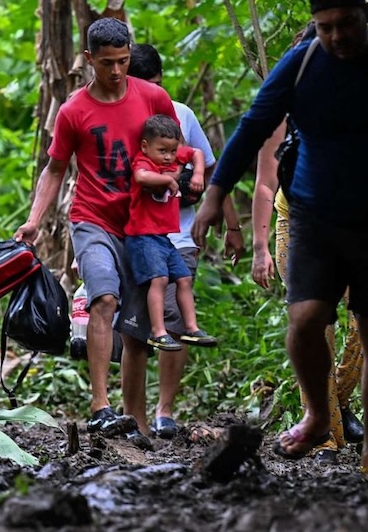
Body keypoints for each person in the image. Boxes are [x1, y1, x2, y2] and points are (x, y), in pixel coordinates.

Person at [193, 0, 368, 480]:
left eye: (345, 23)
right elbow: (253, 126)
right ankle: (316, 414)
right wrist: (215, 194)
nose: (336, 36)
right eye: (325, 27)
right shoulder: (303, 62)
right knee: (305, 320)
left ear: (364, 14)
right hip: (313, 216)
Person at [14, 18, 179, 442]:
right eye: (107, 63)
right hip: (92, 219)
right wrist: (34, 220)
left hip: (142, 226)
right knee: (104, 298)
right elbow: (54, 169)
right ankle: (100, 407)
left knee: (137, 328)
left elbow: (173, 150)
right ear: (89, 60)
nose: (118, 71)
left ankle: (135, 421)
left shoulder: (154, 98)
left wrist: (188, 177)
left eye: (124, 61)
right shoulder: (74, 111)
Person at [125, 43, 243, 439]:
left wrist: (233, 226)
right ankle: (134, 415)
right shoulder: (120, 120)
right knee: (136, 326)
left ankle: (165, 410)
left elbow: (211, 171)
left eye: (155, 86)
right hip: (135, 234)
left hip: (178, 234)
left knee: (175, 322)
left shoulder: (182, 115)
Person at [253, 121, 365, 464]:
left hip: (357, 225)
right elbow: (264, 183)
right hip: (299, 225)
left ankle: (338, 400)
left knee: (367, 322)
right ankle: (324, 438)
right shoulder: (285, 110)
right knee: (317, 331)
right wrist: (260, 247)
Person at [126, 114, 216, 352]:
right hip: (143, 236)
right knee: (160, 279)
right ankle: (158, 331)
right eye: (162, 150)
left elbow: (196, 153)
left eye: (172, 151)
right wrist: (169, 179)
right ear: (146, 146)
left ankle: (191, 327)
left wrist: (197, 174)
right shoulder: (144, 161)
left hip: (164, 238)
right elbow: (140, 176)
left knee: (183, 278)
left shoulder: (173, 155)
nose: (168, 156)